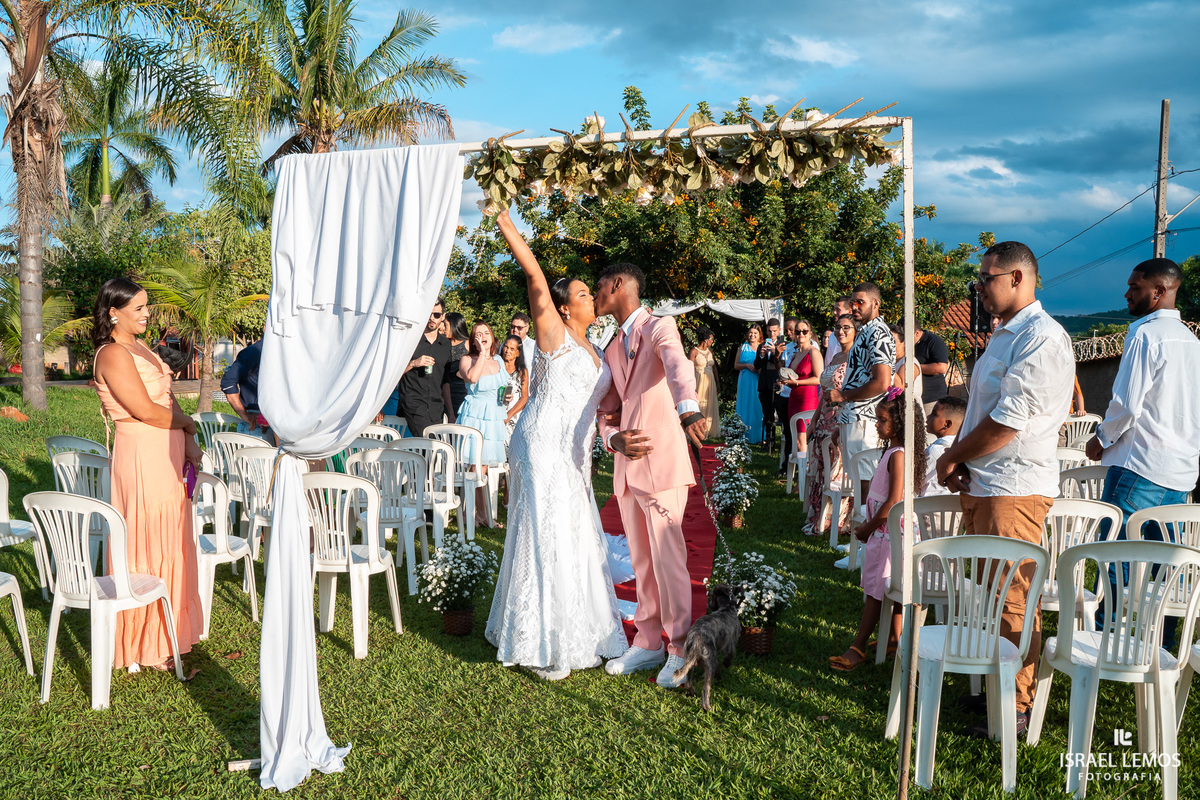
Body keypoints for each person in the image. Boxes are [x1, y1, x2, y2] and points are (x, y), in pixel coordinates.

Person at [936, 240, 1074, 736]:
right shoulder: (1003, 335)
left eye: (985, 279)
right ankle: (999, 684)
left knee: (1015, 597)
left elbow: (1006, 424)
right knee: (993, 594)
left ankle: (1016, 706)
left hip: (1013, 488)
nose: (978, 288)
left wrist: (951, 454)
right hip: (987, 481)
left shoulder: (1041, 338)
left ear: (1017, 278)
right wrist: (962, 462)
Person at [486, 208, 627, 681]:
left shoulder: (597, 348)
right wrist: (504, 221)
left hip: (574, 451)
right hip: (541, 443)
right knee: (545, 531)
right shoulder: (553, 334)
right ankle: (545, 640)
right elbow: (534, 276)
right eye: (585, 293)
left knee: (574, 532)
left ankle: (583, 631)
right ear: (565, 306)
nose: (592, 297)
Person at [596, 261, 706, 690]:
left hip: (661, 464)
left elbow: (678, 366)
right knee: (641, 561)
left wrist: (688, 408)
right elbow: (606, 411)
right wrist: (612, 440)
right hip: (627, 469)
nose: (598, 292)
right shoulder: (610, 346)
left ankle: (679, 647)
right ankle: (647, 640)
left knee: (668, 560)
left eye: (601, 285)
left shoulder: (660, 327)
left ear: (619, 284)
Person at [1084, 258, 1200, 639]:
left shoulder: (1145, 334)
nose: (1127, 293)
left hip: (1141, 464)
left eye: (1135, 287)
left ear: (1159, 291)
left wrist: (1101, 438)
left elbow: (1128, 402)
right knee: (1165, 567)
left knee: (1116, 557)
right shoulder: (1191, 340)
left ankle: (1106, 640)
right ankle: (1162, 646)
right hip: (1181, 470)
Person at [91, 277, 203, 672]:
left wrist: (187, 443)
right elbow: (145, 410)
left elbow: (165, 397)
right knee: (149, 540)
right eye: (138, 308)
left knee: (171, 537)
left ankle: (172, 632)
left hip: (167, 448)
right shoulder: (113, 353)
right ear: (113, 313)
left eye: (146, 306)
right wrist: (189, 426)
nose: (146, 314)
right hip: (142, 452)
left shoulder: (140, 346)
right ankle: (149, 644)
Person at [829, 389, 927, 670]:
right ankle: (894, 638)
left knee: (874, 590)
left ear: (899, 423)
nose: (876, 424)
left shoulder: (898, 454)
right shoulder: (899, 452)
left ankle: (857, 647)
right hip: (896, 533)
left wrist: (868, 527)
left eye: (882, 420)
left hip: (887, 534)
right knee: (893, 587)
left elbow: (894, 500)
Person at [829, 282, 894, 505]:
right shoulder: (865, 331)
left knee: (868, 480)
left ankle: (869, 538)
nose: (854, 307)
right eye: (852, 303)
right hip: (854, 416)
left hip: (867, 418)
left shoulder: (878, 333)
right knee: (859, 479)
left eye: (861, 302)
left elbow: (883, 382)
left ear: (876, 303)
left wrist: (842, 396)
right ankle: (860, 537)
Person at [804, 315, 856, 534]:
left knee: (837, 469)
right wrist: (814, 419)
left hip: (841, 419)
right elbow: (825, 391)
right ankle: (819, 515)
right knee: (821, 468)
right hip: (824, 418)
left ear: (856, 330)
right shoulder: (835, 356)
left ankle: (839, 521)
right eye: (838, 327)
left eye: (846, 327)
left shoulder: (858, 357)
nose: (841, 331)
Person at [455, 322, 509, 527]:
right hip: (475, 415)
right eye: (478, 334)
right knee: (476, 466)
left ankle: (476, 514)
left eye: (486, 333)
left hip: (493, 414)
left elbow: (504, 387)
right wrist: (483, 354)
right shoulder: (467, 359)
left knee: (482, 466)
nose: (483, 336)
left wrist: (506, 397)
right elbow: (473, 377)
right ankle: (478, 514)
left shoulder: (499, 361)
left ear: (492, 336)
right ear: (473, 340)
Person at [398, 299, 454, 436]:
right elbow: (393, 373)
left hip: (436, 407)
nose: (431, 318)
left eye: (436, 315)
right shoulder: (411, 340)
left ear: (442, 317)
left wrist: (451, 412)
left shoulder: (446, 345)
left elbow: (445, 381)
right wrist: (414, 363)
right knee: (429, 445)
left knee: (433, 450)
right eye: (429, 313)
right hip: (413, 403)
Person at [781, 319, 822, 473]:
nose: (801, 334)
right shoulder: (795, 354)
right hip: (794, 397)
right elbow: (792, 376)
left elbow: (819, 378)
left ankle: (805, 478)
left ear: (810, 333)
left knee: (803, 439)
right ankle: (803, 475)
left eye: (804, 331)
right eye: (797, 331)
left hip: (808, 398)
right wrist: (786, 382)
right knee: (796, 439)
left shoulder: (814, 352)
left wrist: (797, 382)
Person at [220, 338, 273, 442]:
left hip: (279, 426)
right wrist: (244, 415)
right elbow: (228, 382)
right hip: (256, 426)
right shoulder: (254, 351)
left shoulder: (283, 351)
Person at [923, 396, 965, 498]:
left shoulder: (933, 451)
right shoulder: (964, 449)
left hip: (927, 509)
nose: (927, 417)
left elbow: (914, 482)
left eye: (934, 414)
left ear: (947, 424)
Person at [755, 317, 784, 449]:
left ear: (779, 330)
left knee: (779, 413)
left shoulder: (783, 344)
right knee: (767, 414)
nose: (771, 334)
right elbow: (756, 365)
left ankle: (783, 440)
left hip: (776, 383)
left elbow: (783, 364)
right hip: (763, 384)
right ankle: (769, 440)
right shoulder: (762, 345)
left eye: (774, 331)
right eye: (769, 331)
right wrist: (761, 355)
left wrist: (774, 353)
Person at [734, 324, 764, 443]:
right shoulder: (742, 347)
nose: (752, 335)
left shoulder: (762, 348)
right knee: (744, 404)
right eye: (750, 333)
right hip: (745, 380)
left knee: (757, 405)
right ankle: (742, 435)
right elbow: (736, 365)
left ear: (759, 335)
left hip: (757, 379)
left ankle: (757, 435)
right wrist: (746, 365)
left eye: (755, 333)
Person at [689, 326, 721, 438]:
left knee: (709, 403)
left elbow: (715, 368)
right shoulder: (694, 352)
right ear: (706, 339)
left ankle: (708, 429)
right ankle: (697, 429)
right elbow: (690, 369)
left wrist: (717, 383)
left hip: (710, 381)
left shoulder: (710, 351)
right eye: (711, 339)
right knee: (699, 404)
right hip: (698, 380)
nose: (712, 341)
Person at [912, 323, 950, 415]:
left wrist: (914, 367)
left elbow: (942, 368)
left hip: (931, 399)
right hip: (913, 398)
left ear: (917, 333)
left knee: (929, 428)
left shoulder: (934, 341)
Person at [499, 334, 529, 449]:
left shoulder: (522, 372)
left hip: (513, 416)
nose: (508, 351)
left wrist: (508, 415)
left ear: (518, 353)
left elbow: (524, 397)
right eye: (506, 347)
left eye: (512, 349)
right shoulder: (496, 367)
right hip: (496, 412)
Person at [443, 312, 470, 419]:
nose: (443, 328)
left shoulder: (467, 343)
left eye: (446, 325)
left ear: (454, 325)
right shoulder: (443, 343)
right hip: (445, 393)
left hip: (464, 393)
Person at [889, 324, 925, 405]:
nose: (889, 346)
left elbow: (899, 388)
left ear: (904, 343)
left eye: (893, 342)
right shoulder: (892, 361)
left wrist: (885, 363)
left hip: (911, 412)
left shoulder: (910, 363)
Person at [824, 296, 852, 361]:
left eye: (838, 310)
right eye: (834, 309)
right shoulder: (832, 336)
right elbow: (828, 363)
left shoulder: (856, 335)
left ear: (850, 312)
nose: (834, 312)